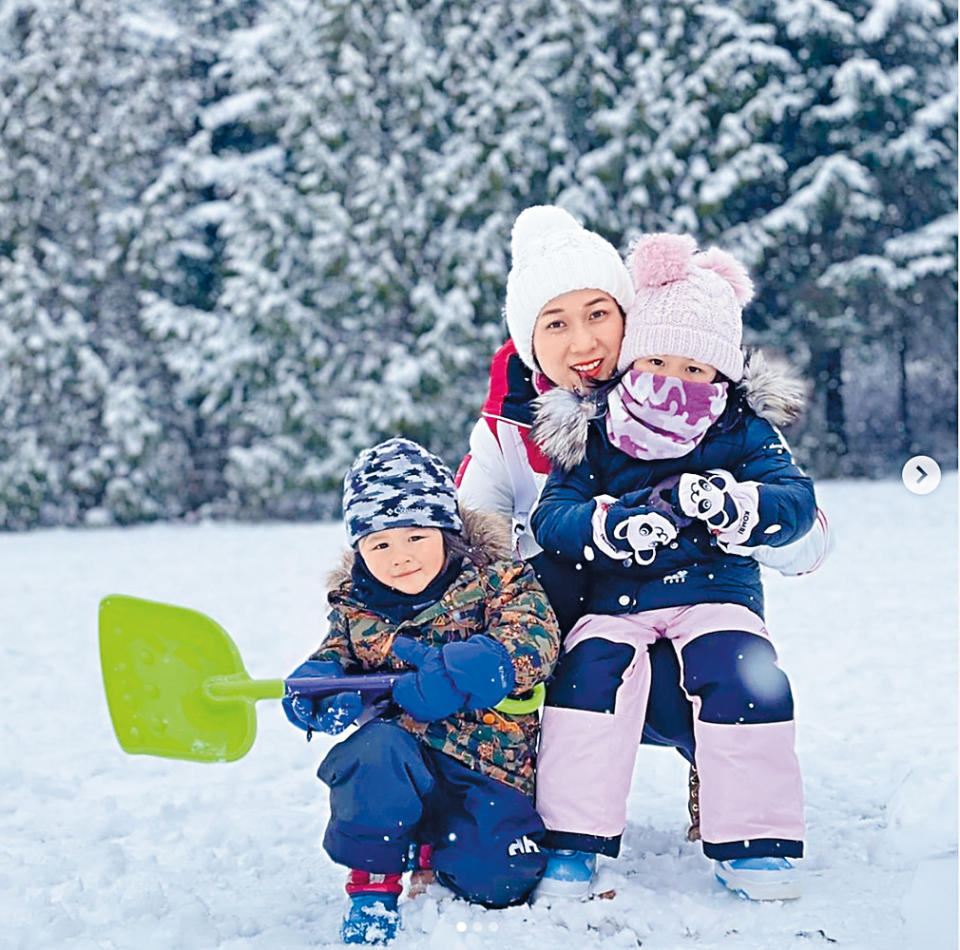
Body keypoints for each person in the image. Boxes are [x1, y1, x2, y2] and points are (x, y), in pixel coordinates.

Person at [456, 206, 830, 836]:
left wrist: (731, 513)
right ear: (528, 341)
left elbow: (807, 537)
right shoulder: (505, 431)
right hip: (561, 623)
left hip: (689, 613)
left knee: (718, 671)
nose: (582, 344)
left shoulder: (707, 402)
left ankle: (718, 767)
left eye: (598, 315)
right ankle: (505, 786)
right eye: (556, 324)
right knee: (551, 630)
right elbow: (466, 548)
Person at [529, 231, 817, 902]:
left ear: (723, 374)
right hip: (617, 600)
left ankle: (755, 842)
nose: (675, 382)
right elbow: (555, 513)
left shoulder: (740, 429)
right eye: (658, 360)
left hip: (715, 591)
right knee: (587, 679)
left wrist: (739, 506)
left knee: (742, 671)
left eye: (697, 369)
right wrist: (610, 527)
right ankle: (572, 841)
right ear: (633, 360)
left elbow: (794, 499)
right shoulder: (596, 427)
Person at [282, 438, 559, 943]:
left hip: (485, 767)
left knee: (501, 880)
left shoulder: (499, 580)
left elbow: (535, 638)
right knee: (371, 752)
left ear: (446, 529)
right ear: (360, 549)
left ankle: (436, 844)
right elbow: (333, 658)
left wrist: (483, 665)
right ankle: (374, 884)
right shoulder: (355, 608)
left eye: (414, 536)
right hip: (399, 763)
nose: (399, 557)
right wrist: (317, 688)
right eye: (379, 544)